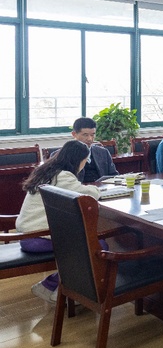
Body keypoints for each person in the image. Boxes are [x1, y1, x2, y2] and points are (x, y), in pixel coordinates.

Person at [16, 140, 100, 303]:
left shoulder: (47, 171)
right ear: (79, 160)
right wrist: (97, 189)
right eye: (86, 160)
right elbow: (89, 195)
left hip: (27, 235)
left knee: (87, 244)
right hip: (39, 238)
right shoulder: (63, 176)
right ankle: (60, 290)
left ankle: (52, 286)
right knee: (96, 246)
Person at [68, 117, 119, 182]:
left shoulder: (103, 152)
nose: (89, 139)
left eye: (92, 135)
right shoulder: (63, 155)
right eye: (85, 135)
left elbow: (114, 176)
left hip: (102, 187)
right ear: (74, 134)